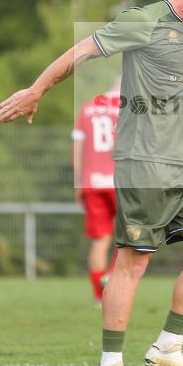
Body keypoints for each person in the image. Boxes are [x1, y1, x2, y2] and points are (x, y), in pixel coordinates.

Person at [0, 0, 183, 366]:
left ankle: (168, 348)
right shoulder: (144, 21)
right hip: (144, 163)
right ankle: (109, 365)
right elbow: (79, 53)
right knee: (133, 262)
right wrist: (37, 89)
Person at [73, 76, 121, 305]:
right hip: (123, 182)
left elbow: (77, 150)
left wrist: (79, 181)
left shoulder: (87, 108)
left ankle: (98, 295)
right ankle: (111, 275)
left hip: (93, 182)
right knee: (131, 236)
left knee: (100, 241)